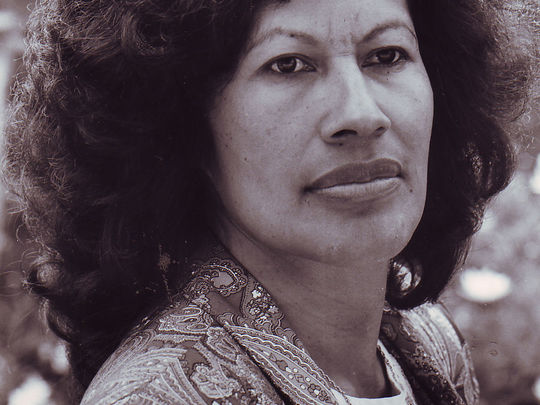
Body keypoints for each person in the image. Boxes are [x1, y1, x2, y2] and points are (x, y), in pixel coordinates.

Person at [3, 0, 535, 403]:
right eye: (289, 64)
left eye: (386, 55)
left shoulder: (428, 343)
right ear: (181, 126)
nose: (361, 114)